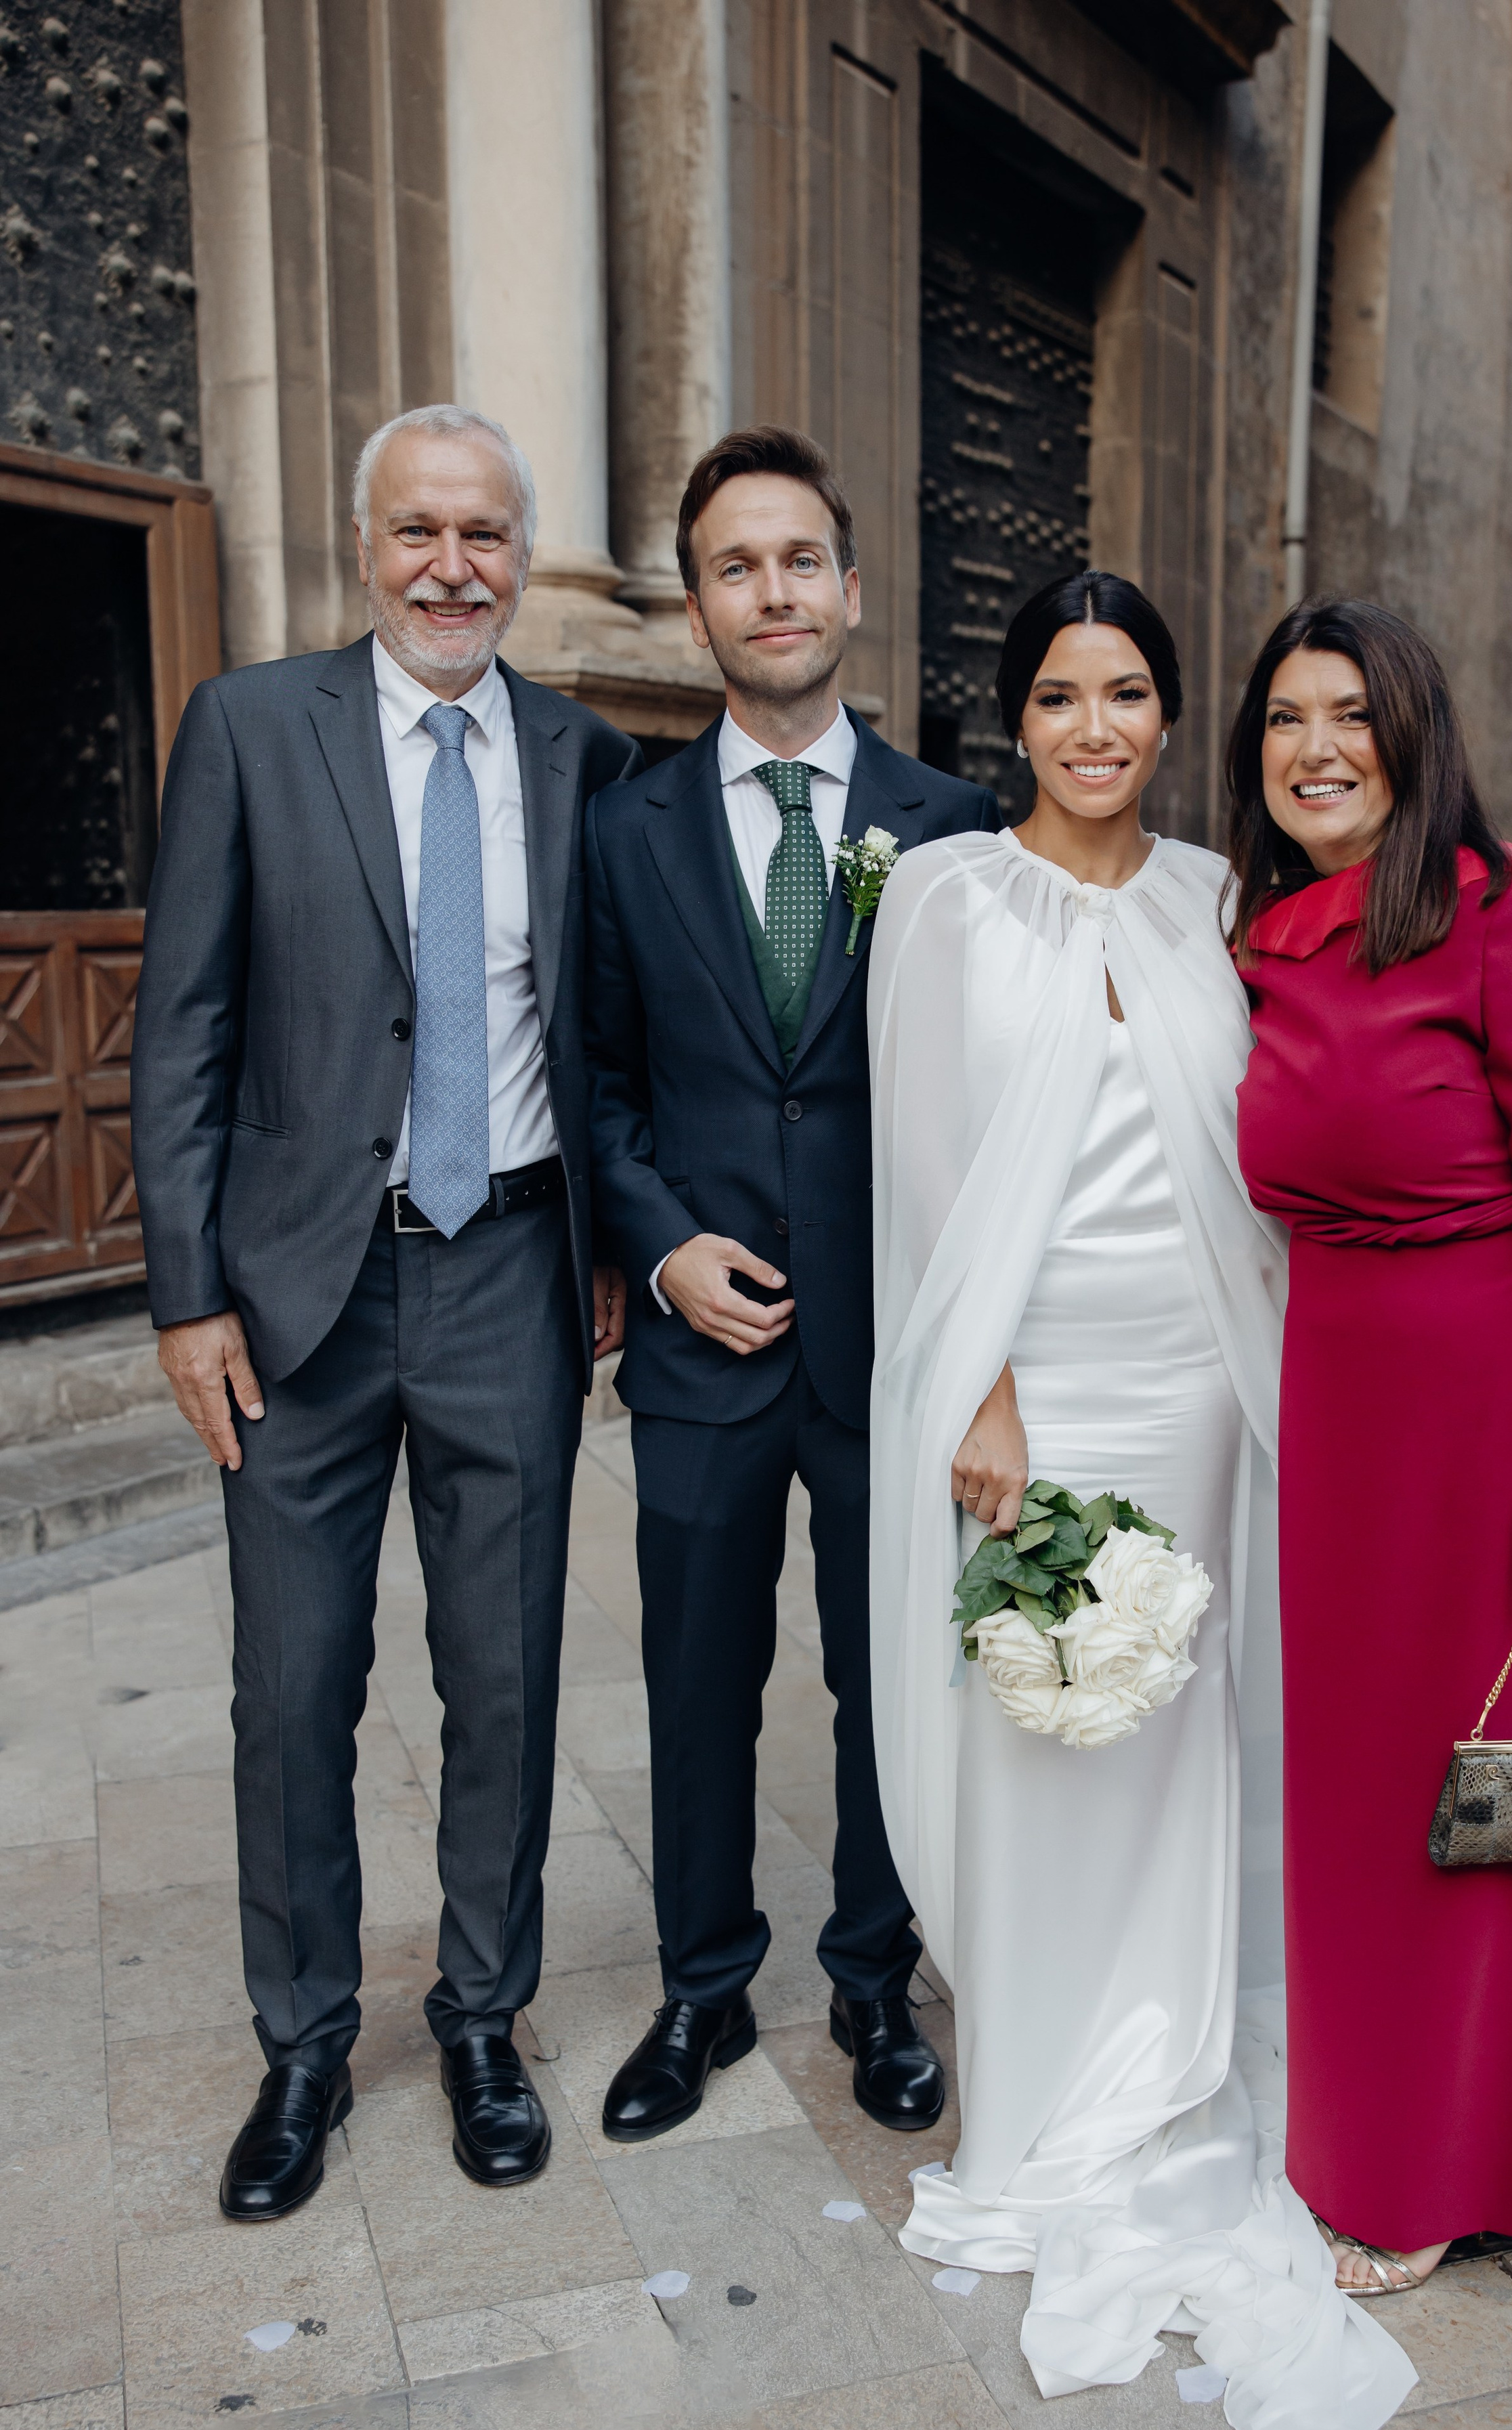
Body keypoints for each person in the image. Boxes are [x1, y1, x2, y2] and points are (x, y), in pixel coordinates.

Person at [867, 570, 1416, 2430]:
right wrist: (985, 1392)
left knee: (1171, 1714)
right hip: (1034, 1386)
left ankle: (1175, 2049)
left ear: (1173, 720)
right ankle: (1035, 2087)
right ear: (1009, 717)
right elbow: (928, 1160)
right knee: (1038, 1723)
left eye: (1127, 695)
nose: (1092, 727)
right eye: (1057, 695)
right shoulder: (940, 898)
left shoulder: (1216, 900)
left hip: (1193, 1376)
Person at [132, 405, 639, 2219]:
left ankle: (485, 2017)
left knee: (503, 1676)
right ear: (367, 547)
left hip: (506, 1265)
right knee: (293, 1685)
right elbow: (182, 1023)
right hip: (294, 1294)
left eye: (487, 535)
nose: (453, 567)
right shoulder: (255, 729)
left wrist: (609, 1240)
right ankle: (304, 2043)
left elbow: (603, 1029)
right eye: (420, 531)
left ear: (520, 552)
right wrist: (186, 1292)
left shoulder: (584, 757)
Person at [1230, 599, 1512, 2293]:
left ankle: (1458, 2168)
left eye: (1350, 716)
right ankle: (1370, 2130)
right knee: (1360, 1805)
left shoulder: (1511, 921)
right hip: (1341, 1410)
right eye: (1281, 720)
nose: (1314, 750)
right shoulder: (1267, 933)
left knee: (1493, 1806)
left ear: (1414, 736)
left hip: (1495, 1420)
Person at [584, 425, 998, 2142]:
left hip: (888, 1352)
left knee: (883, 1681)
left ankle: (866, 1975)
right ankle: (700, 1990)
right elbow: (592, 1085)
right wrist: (661, 1244)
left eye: (800, 558)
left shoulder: (951, 827)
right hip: (701, 1351)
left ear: (848, 584)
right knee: (695, 1680)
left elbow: (988, 1103)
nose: (774, 590)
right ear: (697, 610)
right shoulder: (623, 829)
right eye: (735, 565)